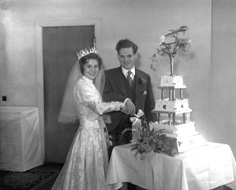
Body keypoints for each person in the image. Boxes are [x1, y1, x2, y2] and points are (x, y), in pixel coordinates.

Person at [52, 47, 126, 190]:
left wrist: (102, 117)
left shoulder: (89, 84)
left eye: (96, 66)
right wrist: (120, 105)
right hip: (88, 135)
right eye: (89, 66)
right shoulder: (82, 85)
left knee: (95, 168)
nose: (93, 70)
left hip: (96, 133)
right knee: (87, 168)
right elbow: (97, 107)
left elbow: (92, 109)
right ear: (82, 67)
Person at [103, 39, 157, 154]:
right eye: (122, 56)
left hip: (139, 128)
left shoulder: (145, 77)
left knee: (137, 166)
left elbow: (149, 105)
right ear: (117, 56)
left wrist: (153, 128)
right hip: (115, 129)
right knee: (116, 165)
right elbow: (105, 95)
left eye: (129, 56)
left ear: (135, 56)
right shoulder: (108, 75)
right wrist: (125, 100)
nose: (126, 60)